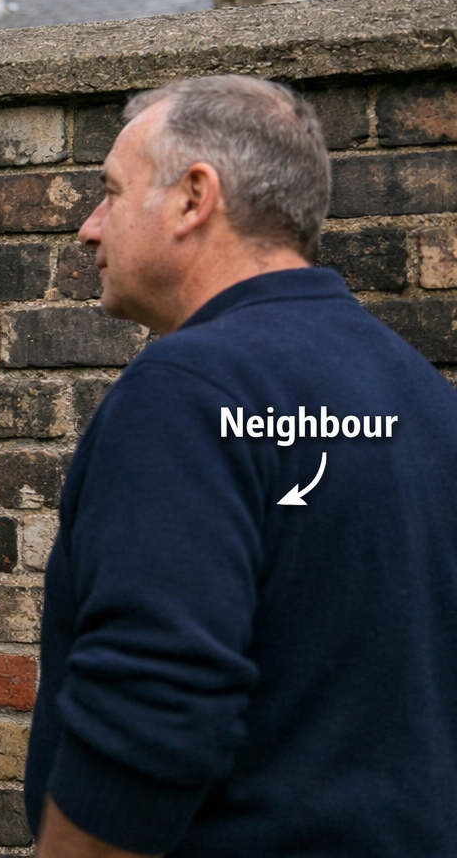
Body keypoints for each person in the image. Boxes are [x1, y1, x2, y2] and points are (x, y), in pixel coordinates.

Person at [26, 75, 457, 857]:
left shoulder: (184, 390)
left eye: (112, 194)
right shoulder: (423, 394)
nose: (89, 230)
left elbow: (153, 703)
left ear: (194, 197)